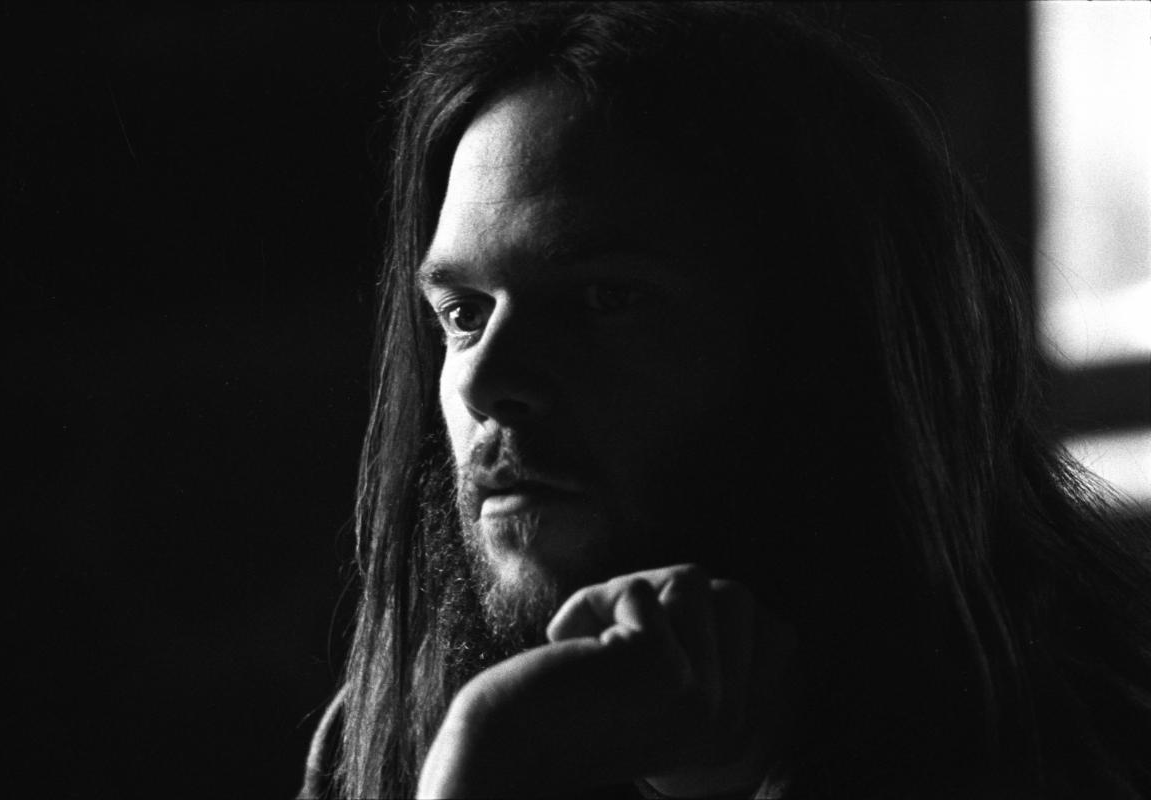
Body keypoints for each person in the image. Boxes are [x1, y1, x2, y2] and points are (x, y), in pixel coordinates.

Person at [299, 4, 1151, 798]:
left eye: (603, 299)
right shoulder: (387, 734)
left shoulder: (1094, 737)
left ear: (820, 339)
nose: (487, 380)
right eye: (463, 314)